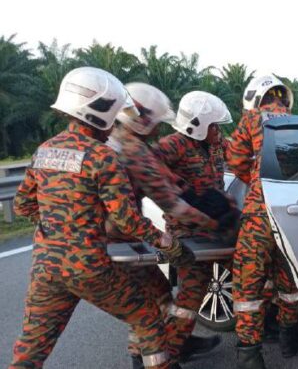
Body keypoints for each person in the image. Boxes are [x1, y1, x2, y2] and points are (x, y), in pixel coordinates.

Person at [9, 67, 193, 369]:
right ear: (101, 112)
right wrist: (169, 244)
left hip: (45, 268)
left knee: (31, 348)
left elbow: (24, 204)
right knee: (147, 315)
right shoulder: (101, 156)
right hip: (88, 268)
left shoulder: (44, 150)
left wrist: (59, 226)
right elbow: (127, 220)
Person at [107, 83, 222, 368]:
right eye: (156, 122)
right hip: (120, 240)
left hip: (118, 239)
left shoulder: (116, 142)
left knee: (156, 299)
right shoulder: (138, 151)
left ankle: (175, 345)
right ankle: (155, 357)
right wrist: (217, 223)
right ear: (141, 120)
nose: (159, 129)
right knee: (149, 307)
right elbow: (172, 201)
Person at [227, 75, 298, 369]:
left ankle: (250, 356)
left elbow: (234, 160)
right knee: (289, 278)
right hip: (292, 215)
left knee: (248, 286)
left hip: (260, 214)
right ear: (284, 98)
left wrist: (256, 181)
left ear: (257, 98)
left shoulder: (252, 118)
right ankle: (289, 338)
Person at [154, 91, 233, 361]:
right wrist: (183, 192)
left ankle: (178, 342)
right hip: (188, 233)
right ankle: (173, 349)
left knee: (248, 271)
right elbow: (145, 167)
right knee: (192, 293)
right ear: (197, 126)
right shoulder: (173, 145)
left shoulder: (215, 143)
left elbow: (241, 157)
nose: (218, 131)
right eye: (213, 126)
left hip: (217, 227)